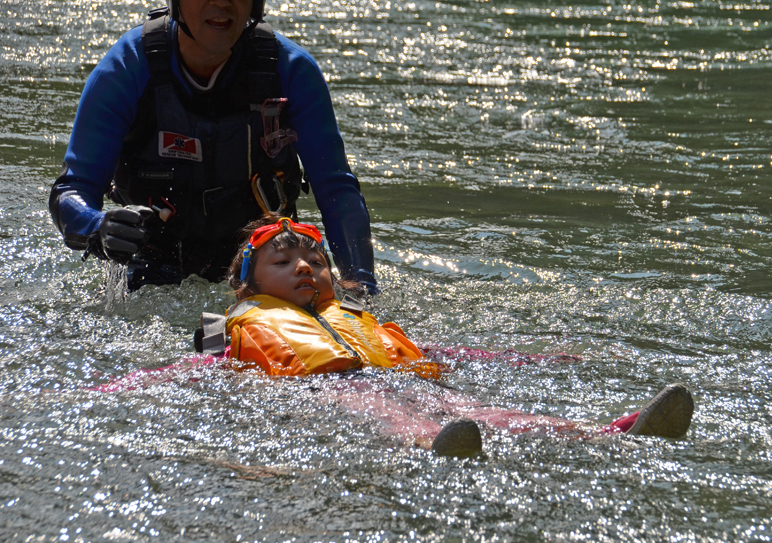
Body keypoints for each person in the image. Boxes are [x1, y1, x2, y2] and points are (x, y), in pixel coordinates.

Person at [215, 215, 695, 456]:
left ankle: (610, 434)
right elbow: (201, 368)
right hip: (329, 389)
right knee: (388, 416)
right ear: (249, 285)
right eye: (283, 263)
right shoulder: (247, 327)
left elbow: (437, 352)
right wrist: (140, 382)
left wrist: (517, 358)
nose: (304, 267)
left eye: (316, 263)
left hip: (401, 378)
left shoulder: (353, 316)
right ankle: (434, 446)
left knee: (486, 412)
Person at [48, 0, 377, 293]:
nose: (222, 4)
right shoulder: (126, 68)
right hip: (152, 271)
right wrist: (98, 228)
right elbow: (71, 190)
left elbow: (336, 189)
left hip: (263, 273)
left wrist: (360, 290)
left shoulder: (292, 71)